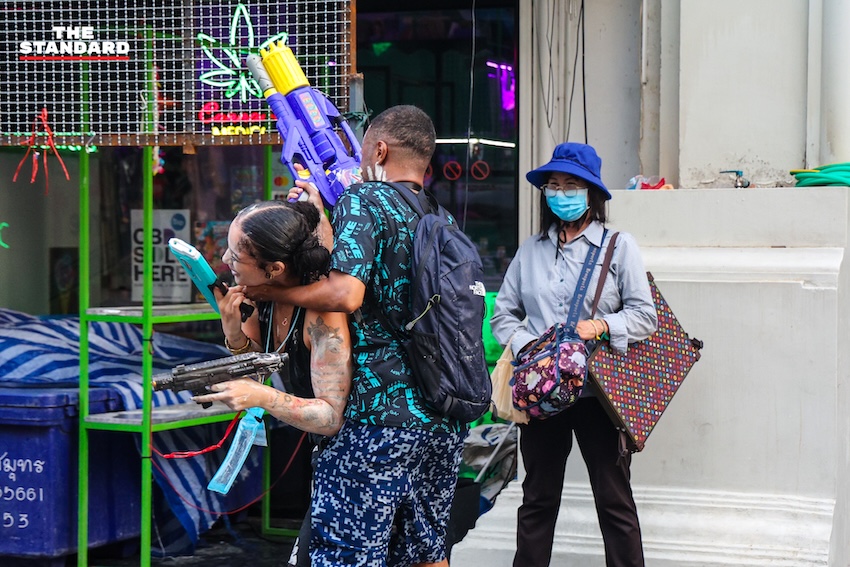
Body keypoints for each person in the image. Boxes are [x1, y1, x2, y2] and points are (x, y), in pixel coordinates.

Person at [244, 105, 467, 567]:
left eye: (364, 146)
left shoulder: (366, 199)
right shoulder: (441, 218)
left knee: (348, 555)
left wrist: (272, 288)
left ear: (379, 149)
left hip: (378, 418)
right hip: (443, 416)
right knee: (426, 553)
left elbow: (346, 293)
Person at [490, 142, 658, 567]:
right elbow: (503, 315)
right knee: (537, 499)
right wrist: (530, 346)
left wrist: (603, 325)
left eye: (571, 185)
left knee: (614, 501)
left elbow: (645, 316)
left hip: (599, 396)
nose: (560, 193)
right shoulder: (530, 251)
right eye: (552, 185)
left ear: (592, 194)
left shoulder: (619, 247)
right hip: (543, 394)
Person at [191, 199, 352, 567]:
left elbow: (330, 418)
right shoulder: (257, 296)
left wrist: (261, 396)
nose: (225, 263)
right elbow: (254, 369)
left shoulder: (322, 314)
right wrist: (232, 331)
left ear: (275, 268)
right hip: (325, 455)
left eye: (235, 256)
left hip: (362, 449)